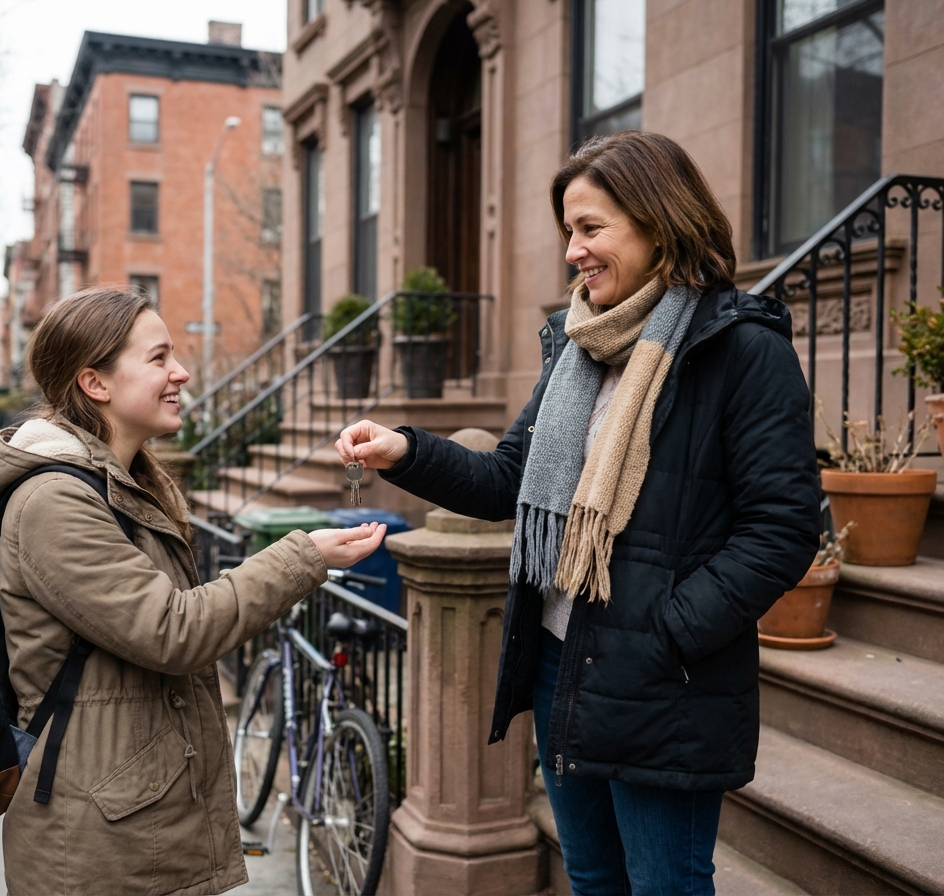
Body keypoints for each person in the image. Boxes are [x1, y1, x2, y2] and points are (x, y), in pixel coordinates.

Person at [337, 132, 819, 895]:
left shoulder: (741, 349)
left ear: (659, 223)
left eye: (590, 229)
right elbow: (508, 482)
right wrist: (405, 449)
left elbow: (784, 528)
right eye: (569, 231)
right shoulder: (579, 348)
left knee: (666, 887)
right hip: (563, 661)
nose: (573, 252)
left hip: (666, 678)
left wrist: (668, 630)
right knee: (594, 878)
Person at [0, 287, 387, 895]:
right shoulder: (54, 502)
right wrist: (303, 556)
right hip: (99, 842)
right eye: (158, 359)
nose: (181, 372)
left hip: (133, 818)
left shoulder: (125, 483)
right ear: (95, 383)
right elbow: (172, 631)